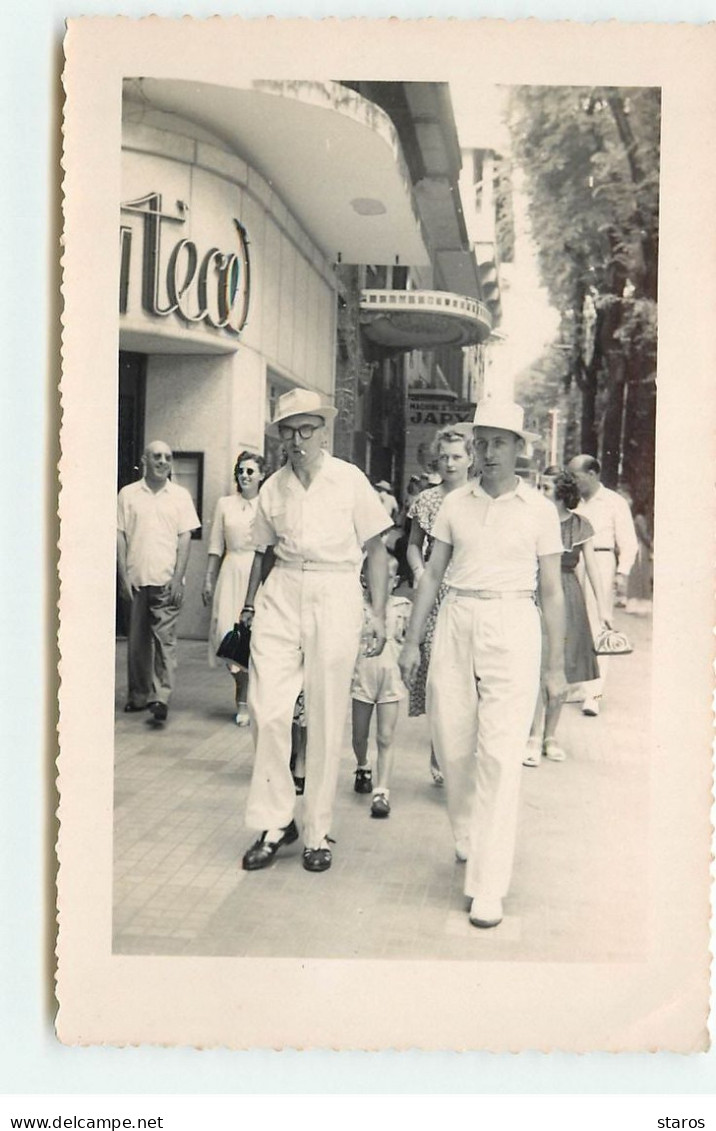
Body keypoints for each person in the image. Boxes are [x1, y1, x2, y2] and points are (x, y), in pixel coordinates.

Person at [399, 401, 566, 930]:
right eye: (482, 442)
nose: (487, 452)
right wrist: (410, 644)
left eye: (499, 442)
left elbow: (554, 592)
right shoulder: (454, 505)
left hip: (513, 621)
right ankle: (467, 828)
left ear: (519, 449)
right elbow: (430, 576)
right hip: (455, 617)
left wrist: (555, 666)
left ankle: (488, 886)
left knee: (499, 754)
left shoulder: (539, 511)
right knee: (452, 742)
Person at [238, 387, 391, 874]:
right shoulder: (272, 488)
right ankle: (274, 821)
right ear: (280, 436)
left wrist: (380, 614)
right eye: (289, 431)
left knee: (325, 713)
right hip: (282, 591)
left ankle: (316, 830)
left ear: (323, 431)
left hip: (335, 590)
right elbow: (262, 553)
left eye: (307, 429)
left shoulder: (349, 480)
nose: (298, 439)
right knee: (267, 710)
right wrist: (247, 607)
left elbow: (378, 550)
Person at [523, 468, 611, 766]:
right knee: (537, 663)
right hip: (536, 591)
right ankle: (533, 736)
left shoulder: (580, 525)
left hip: (568, 595)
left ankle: (550, 735)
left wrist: (603, 608)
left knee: (562, 666)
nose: (540, 492)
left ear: (562, 493)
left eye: (546, 487)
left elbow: (594, 569)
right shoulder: (532, 521)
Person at [405, 423, 476, 785]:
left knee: (467, 675)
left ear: (470, 459)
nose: (449, 464)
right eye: (444, 457)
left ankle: (464, 753)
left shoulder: (479, 499)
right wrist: (419, 573)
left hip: (467, 591)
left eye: (457, 457)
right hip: (434, 597)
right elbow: (413, 544)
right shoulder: (428, 499)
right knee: (438, 677)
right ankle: (439, 752)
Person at [116, 440, 201, 723]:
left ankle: (161, 697)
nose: (163, 461)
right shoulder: (128, 495)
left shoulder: (179, 496)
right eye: (157, 456)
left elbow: (185, 536)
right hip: (137, 577)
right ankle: (138, 696)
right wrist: (123, 575)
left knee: (165, 642)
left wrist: (178, 579)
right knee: (137, 643)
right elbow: (120, 536)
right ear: (144, 460)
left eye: (167, 457)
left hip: (167, 580)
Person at [566, 455, 638, 717]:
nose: (571, 481)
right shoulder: (571, 502)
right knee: (574, 624)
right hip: (574, 562)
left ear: (593, 474)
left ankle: (594, 696)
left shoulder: (614, 502)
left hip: (602, 560)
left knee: (599, 627)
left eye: (576, 476)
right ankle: (577, 687)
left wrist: (621, 573)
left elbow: (629, 542)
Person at [202, 451, 266, 726]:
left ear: (262, 475)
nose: (245, 476)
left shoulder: (267, 505)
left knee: (256, 638)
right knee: (227, 635)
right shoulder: (225, 504)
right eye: (241, 471)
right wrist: (208, 578)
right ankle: (242, 693)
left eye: (251, 471)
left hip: (259, 574)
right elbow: (216, 545)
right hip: (231, 571)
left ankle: (247, 701)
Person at [351, 556, 412, 818]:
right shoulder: (356, 607)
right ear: (364, 580)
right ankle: (363, 765)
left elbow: (410, 641)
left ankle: (382, 791)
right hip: (362, 679)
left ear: (395, 582)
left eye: (386, 578)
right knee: (359, 736)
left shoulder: (403, 607)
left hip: (391, 681)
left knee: (385, 736)